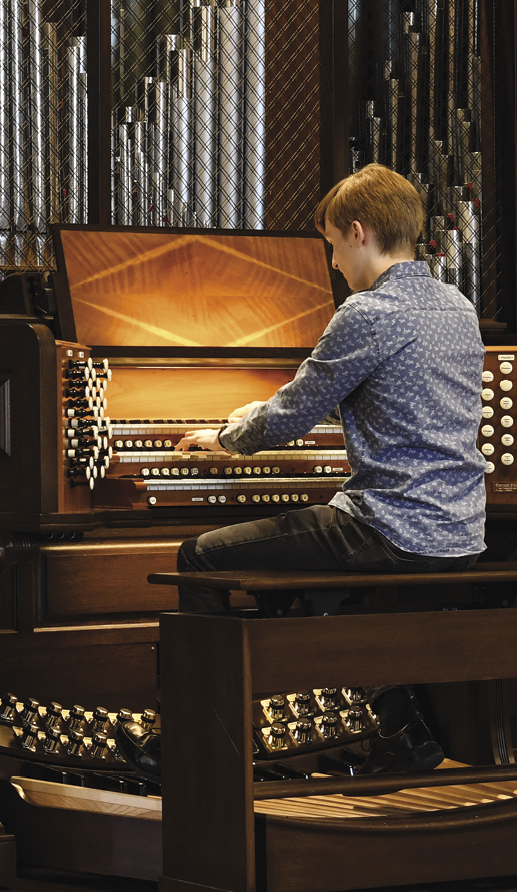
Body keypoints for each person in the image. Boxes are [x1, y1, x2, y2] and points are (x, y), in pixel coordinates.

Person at [173, 164, 486, 614]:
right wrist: (263, 407)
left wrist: (226, 439)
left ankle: (215, 684)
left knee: (198, 556)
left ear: (357, 233)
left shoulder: (367, 312)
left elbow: (292, 416)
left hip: (389, 531)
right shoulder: (458, 306)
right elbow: (390, 400)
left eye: (334, 245)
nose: (334, 263)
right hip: (461, 534)